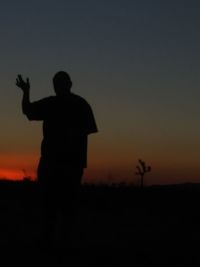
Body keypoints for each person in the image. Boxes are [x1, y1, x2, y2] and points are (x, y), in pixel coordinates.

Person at [16, 71, 98, 246]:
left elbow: (28, 111)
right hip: (62, 165)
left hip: (63, 165)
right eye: (56, 83)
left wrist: (26, 92)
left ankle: (58, 242)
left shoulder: (71, 105)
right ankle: (56, 242)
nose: (57, 86)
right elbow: (28, 111)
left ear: (69, 84)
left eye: (59, 82)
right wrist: (25, 92)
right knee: (55, 207)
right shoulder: (78, 104)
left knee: (58, 207)